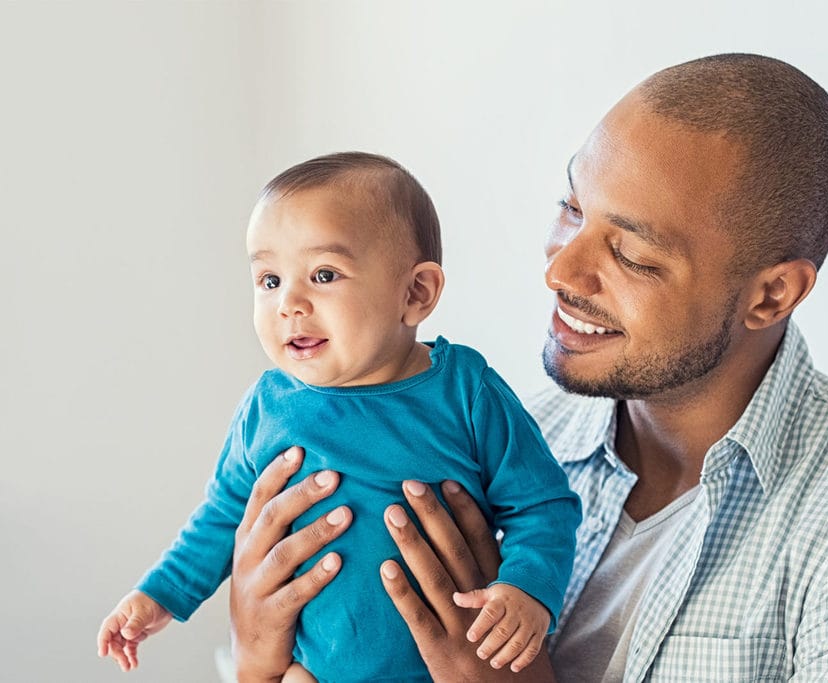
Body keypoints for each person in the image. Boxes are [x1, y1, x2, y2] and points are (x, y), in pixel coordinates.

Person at [229, 54, 828, 682]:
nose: (562, 270)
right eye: (570, 205)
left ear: (771, 293)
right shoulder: (506, 444)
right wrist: (260, 659)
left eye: (631, 253)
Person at [95, 152, 582, 682]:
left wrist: (527, 589)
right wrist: (158, 594)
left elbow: (543, 505)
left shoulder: (465, 390)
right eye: (269, 280)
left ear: (415, 292)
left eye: (323, 274)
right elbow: (223, 516)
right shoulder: (267, 405)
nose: (288, 304)